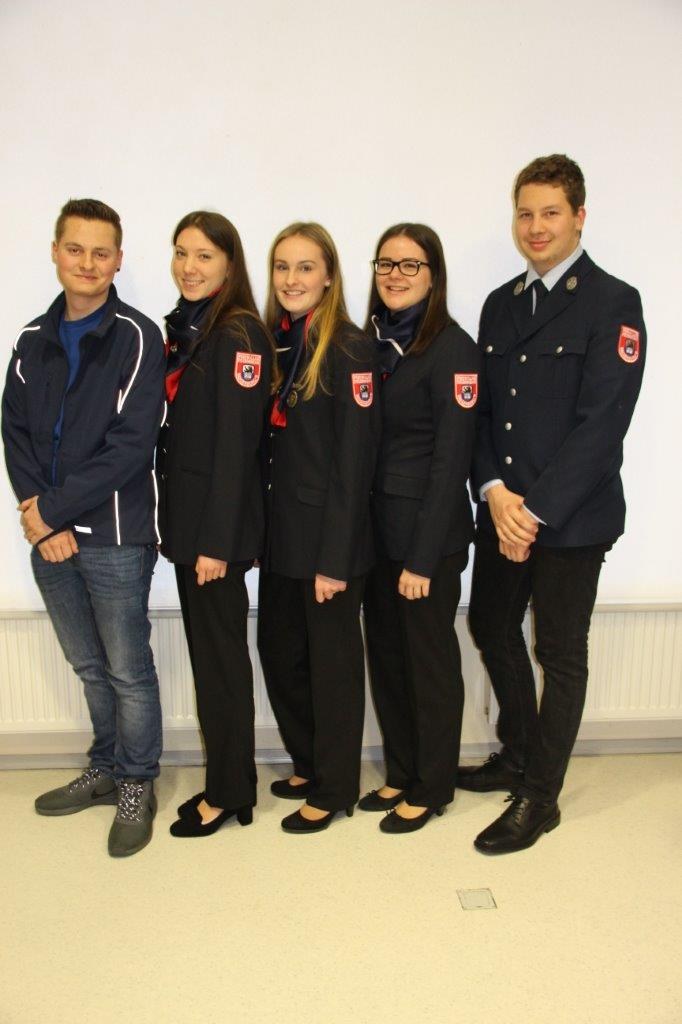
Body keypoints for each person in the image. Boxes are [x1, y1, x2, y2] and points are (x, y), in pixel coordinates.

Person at [459, 154, 646, 854]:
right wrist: (494, 492)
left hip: (571, 518)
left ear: (579, 218)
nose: (535, 227)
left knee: (560, 653)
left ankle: (540, 797)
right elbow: (481, 414)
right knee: (490, 623)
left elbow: (602, 426)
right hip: (504, 508)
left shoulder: (613, 302)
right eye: (525, 213)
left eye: (550, 213)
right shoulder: (499, 305)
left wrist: (532, 514)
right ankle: (518, 753)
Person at [1, 198, 165, 857]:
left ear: (119, 260)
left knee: (127, 670)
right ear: (55, 252)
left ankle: (137, 783)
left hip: (116, 537)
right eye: (76, 249)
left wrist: (54, 511)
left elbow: (129, 447)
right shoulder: (30, 341)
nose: (88, 263)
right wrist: (42, 520)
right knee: (89, 666)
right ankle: (105, 767)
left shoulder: (137, 337)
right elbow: (15, 434)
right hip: (50, 537)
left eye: (102, 252)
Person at [257, 222, 379, 833]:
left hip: (329, 543)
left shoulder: (350, 347)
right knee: (280, 653)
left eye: (305, 267)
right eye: (282, 267)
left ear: (328, 276)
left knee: (332, 668)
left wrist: (335, 559)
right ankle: (309, 762)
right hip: (283, 537)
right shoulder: (278, 341)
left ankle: (335, 788)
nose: (292, 279)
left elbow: (354, 465)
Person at [359, 224, 481, 833]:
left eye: (411, 265)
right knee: (387, 657)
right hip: (377, 534)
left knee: (428, 664)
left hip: (424, 540)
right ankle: (402, 769)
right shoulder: (370, 344)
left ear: (433, 276)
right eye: (386, 263)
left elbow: (451, 462)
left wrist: (423, 559)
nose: (396, 275)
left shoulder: (453, 349)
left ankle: (433, 784)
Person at [157, 212, 273, 838]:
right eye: (181, 253)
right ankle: (230, 782)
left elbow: (236, 449)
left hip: (212, 539)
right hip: (192, 529)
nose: (189, 266)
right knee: (212, 661)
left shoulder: (238, 333)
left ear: (229, 263)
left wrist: (216, 544)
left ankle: (229, 793)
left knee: (221, 665)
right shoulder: (194, 328)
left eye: (204, 255)